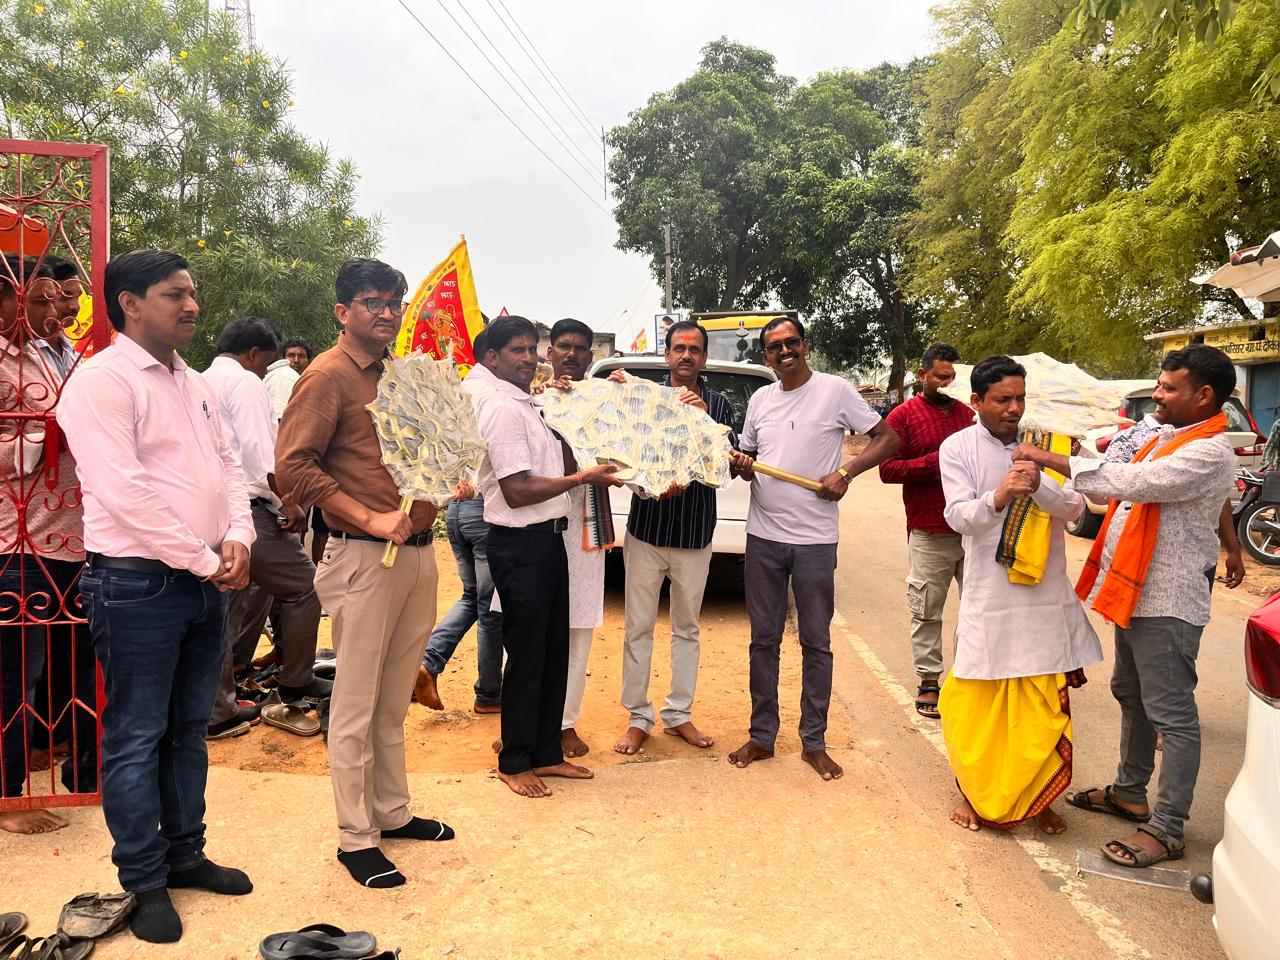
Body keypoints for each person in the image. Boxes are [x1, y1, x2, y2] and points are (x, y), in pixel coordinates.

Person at [57, 250, 255, 943]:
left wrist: (239, 535)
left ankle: (186, 854)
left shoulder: (193, 381)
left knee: (188, 729)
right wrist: (205, 558)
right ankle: (143, 879)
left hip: (201, 580)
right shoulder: (102, 382)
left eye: (193, 293)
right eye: (176, 294)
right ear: (130, 302)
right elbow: (123, 491)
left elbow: (228, 466)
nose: (192, 305)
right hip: (139, 583)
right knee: (137, 735)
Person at [1014, 344, 1238, 867]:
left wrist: (1046, 458)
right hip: (1135, 591)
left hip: (1167, 600)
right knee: (1130, 692)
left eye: (1168, 388)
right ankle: (1129, 792)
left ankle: (1167, 827)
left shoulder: (1209, 452)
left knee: (1172, 714)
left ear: (1204, 396)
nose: (1157, 395)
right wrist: (1054, 444)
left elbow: (1133, 483)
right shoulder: (1166, 437)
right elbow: (1111, 464)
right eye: (1159, 384)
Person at [276, 259, 453, 889]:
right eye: (372, 302)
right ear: (342, 311)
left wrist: (443, 479)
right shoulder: (326, 376)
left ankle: (391, 812)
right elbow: (292, 469)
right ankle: (356, 838)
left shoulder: (400, 376)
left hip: (416, 553)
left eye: (393, 303)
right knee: (353, 703)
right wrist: (369, 518)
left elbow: (416, 454)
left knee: (393, 691)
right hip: (362, 555)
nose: (386, 312)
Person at [727, 317, 900, 780]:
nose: (783, 352)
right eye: (773, 347)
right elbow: (748, 464)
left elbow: (889, 438)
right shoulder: (761, 399)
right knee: (762, 640)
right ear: (764, 356)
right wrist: (744, 465)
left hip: (815, 542)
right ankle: (762, 736)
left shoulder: (835, 390)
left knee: (815, 642)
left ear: (805, 346)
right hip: (763, 537)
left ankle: (813, 741)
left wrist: (846, 472)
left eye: (790, 343)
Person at [936, 355, 1102, 834]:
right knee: (976, 700)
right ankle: (973, 793)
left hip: (1043, 595)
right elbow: (958, 517)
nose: (1014, 409)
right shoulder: (958, 448)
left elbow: (1075, 509)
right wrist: (1002, 494)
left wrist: (1039, 487)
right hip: (989, 595)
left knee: (1040, 703)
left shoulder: (1048, 443)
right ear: (976, 402)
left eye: (1020, 399)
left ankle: (1038, 797)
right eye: (1003, 399)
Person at [474, 315, 621, 798]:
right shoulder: (502, 409)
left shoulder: (531, 405)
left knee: (554, 648)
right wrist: (582, 481)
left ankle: (546, 753)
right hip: (520, 544)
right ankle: (514, 760)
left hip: (549, 540)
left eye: (530, 349)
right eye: (516, 350)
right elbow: (517, 491)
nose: (527, 358)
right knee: (528, 654)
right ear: (492, 358)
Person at [0, 255, 95, 835]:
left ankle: (58, 757)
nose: (56, 310)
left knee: (70, 663)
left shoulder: (61, 355)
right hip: (19, 539)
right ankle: (8, 796)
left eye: (62, 300)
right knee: (15, 669)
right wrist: (48, 433)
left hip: (77, 535)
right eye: (38, 301)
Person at [202, 319, 329, 740]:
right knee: (305, 586)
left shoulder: (200, 381)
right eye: (267, 363)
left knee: (221, 603)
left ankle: (219, 704)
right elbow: (260, 455)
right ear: (255, 354)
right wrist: (289, 502)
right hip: (249, 507)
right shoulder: (245, 383)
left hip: (209, 509)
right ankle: (295, 679)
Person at [612, 320, 734, 757]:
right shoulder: (644, 399)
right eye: (678, 348)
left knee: (687, 628)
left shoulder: (719, 404)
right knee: (638, 628)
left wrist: (703, 420)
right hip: (646, 530)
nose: (686, 355)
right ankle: (638, 717)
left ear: (703, 357)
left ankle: (678, 714)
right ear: (666, 355)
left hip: (694, 534)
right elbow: (624, 453)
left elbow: (727, 466)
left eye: (694, 349)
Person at [878, 342, 974, 719]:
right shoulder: (903, 416)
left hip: (975, 530)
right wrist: (939, 463)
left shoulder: (971, 414)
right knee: (927, 611)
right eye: (941, 377)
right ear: (923, 376)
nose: (948, 384)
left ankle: (969, 679)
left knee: (978, 611)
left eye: (953, 377)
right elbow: (889, 470)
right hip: (929, 529)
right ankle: (929, 680)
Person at [413, 327, 504, 716]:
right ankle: (489, 694)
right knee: (491, 610)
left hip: (456, 510)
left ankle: (428, 665)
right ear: (493, 355)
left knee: (473, 598)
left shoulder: (456, 395)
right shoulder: (497, 399)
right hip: (485, 510)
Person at [542, 318, 609, 758]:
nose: (571, 353)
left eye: (580, 348)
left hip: (586, 524)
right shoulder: (531, 400)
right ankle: (524, 721)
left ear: (591, 356)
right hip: (539, 525)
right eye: (563, 346)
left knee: (579, 628)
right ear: (549, 353)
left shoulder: (606, 401)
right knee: (530, 629)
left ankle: (565, 723)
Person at [1088, 409, 1243, 591]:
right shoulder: (1130, 439)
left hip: (1195, 554)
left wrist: (1233, 550)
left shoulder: (1205, 442)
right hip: (1143, 553)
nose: (1159, 395)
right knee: (1137, 613)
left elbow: (1220, 496)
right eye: (1164, 387)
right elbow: (1107, 490)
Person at [33, 255, 82, 382]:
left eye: (77, 297)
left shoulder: (69, 349)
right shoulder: (25, 351)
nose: (75, 307)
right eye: (65, 297)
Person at [263, 337, 311, 420]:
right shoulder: (284, 378)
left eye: (301, 356)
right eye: (291, 355)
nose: (296, 360)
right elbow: (281, 419)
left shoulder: (300, 380)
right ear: (283, 358)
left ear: (309, 361)